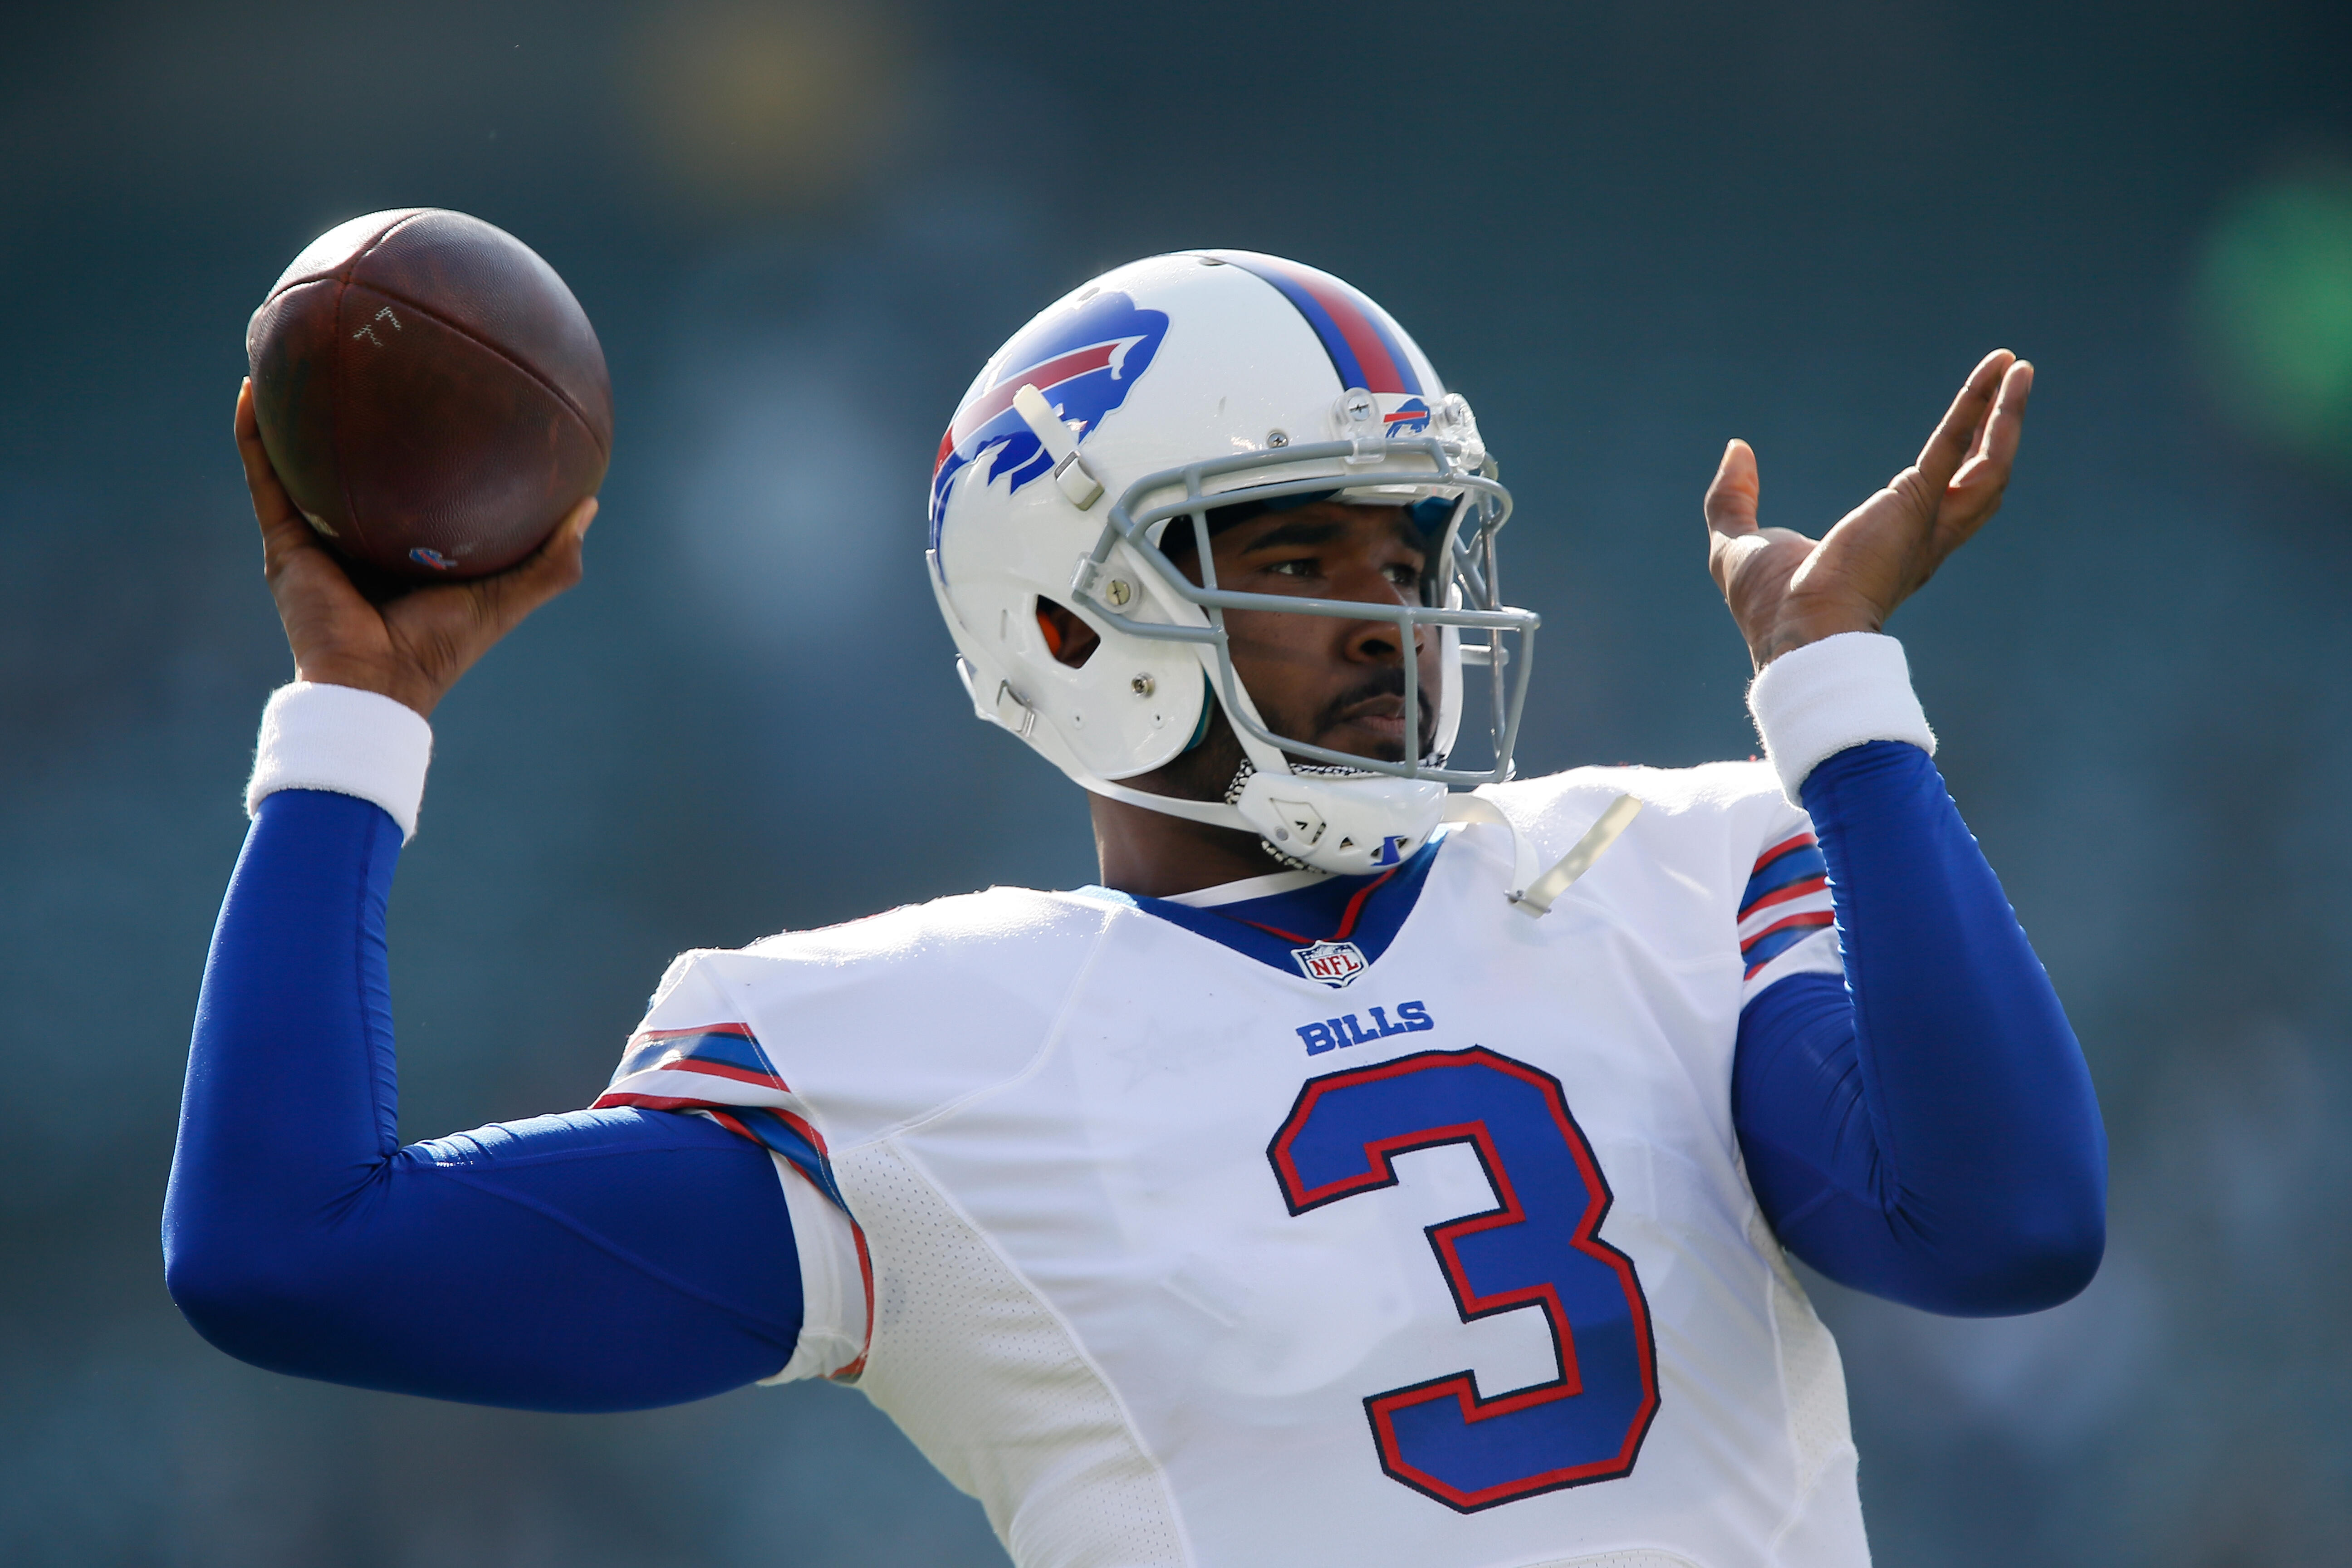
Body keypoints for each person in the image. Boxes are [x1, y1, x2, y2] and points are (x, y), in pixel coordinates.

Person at [166, 251, 2105, 1568]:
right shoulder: (914, 1063)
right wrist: (354, 720)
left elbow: (2004, 1224)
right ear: (1068, 618)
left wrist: (1837, 693)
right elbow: (291, 1254)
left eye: (1411, 546)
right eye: (1295, 551)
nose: (1392, 615)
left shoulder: (1659, 865)